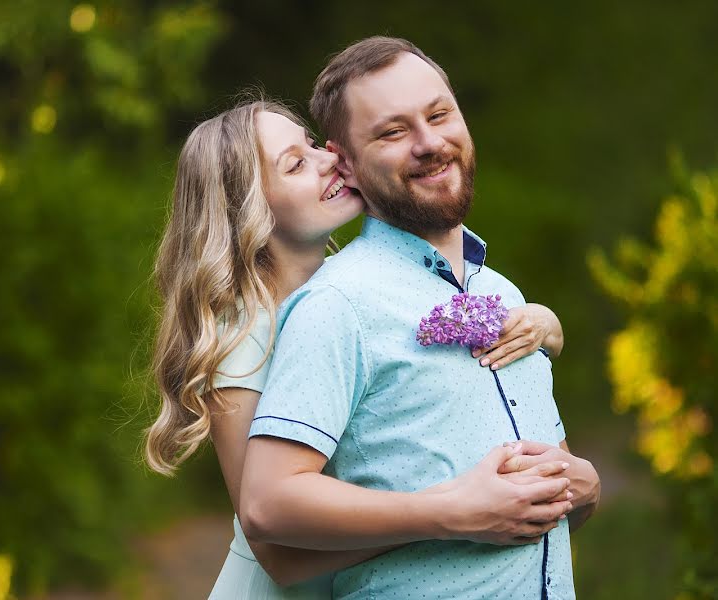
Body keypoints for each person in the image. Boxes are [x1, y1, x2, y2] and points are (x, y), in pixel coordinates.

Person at [144, 97, 576, 599]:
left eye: (311, 143)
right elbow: (277, 552)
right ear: (250, 209)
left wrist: (545, 323)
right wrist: (451, 511)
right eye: (297, 164)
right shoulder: (242, 338)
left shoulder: (356, 297)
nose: (330, 158)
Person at [240, 37, 601, 600]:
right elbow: (268, 503)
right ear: (347, 164)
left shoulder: (503, 294)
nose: (430, 143)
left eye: (438, 115)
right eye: (393, 131)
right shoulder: (340, 304)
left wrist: (583, 488)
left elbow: (525, 520)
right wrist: (452, 511)